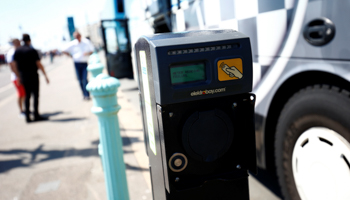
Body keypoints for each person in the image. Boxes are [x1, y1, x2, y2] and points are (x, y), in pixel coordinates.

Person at [12, 34, 50, 123]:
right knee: (35, 96)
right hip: (33, 75)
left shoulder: (18, 51)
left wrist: (18, 77)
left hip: (23, 77)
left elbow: (14, 65)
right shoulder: (32, 50)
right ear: (29, 40)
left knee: (27, 96)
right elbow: (38, 64)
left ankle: (28, 117)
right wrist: (45, 75)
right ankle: (36, 115)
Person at [63, 31, 94, 100]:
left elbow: (92, 50)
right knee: (80, 80)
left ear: (80, 36)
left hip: (84, 63)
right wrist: (70, 55)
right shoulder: (73, 43)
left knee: (85, 79)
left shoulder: (86, 42)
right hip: (76, 63)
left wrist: (87, 53)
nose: (77, 38)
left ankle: (87, 94)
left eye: (78, 36)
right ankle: (84, 94)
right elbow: (63, 50)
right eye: (76, 37)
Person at [7, 38, 25, 118]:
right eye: (17, 42)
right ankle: (21, 111)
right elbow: (12, 66)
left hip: (21, 76)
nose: (19, 43)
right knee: (20, 94)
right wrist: (18, 77)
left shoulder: (19, 50)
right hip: (17, 77)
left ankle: (24, 109)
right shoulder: (11, 53)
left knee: (24, 94)